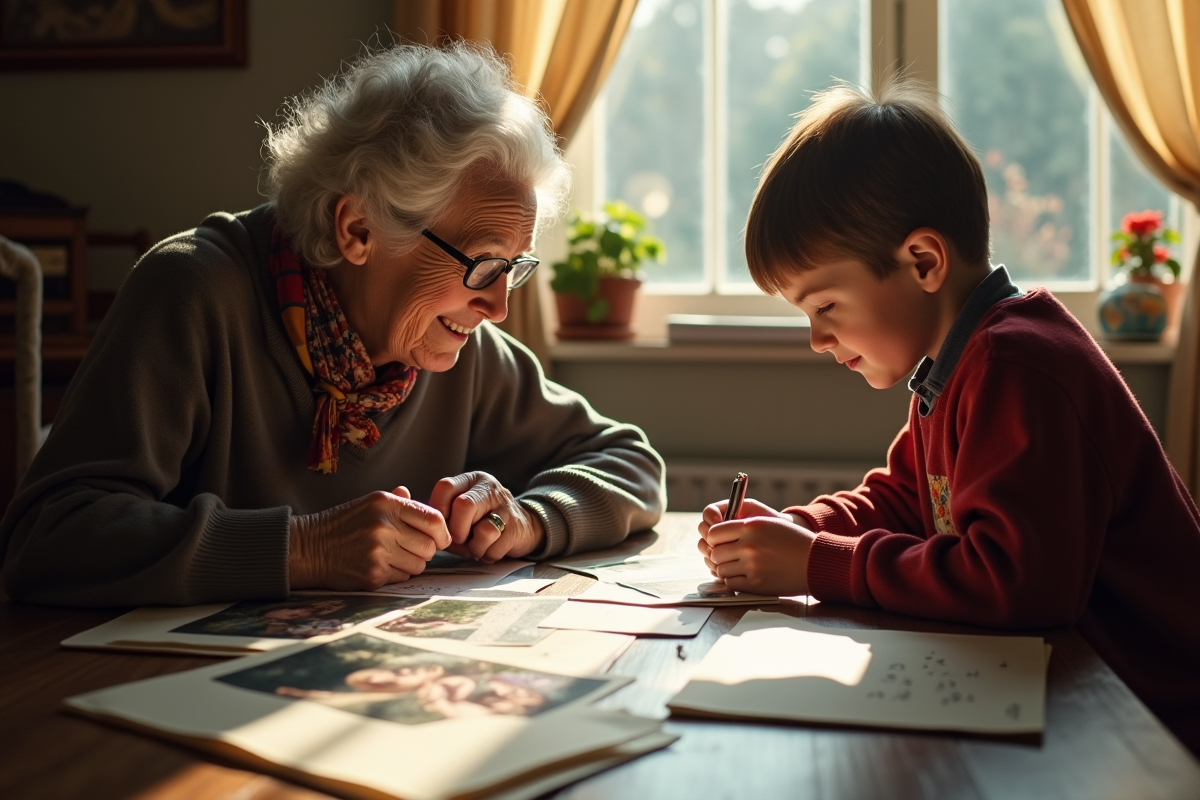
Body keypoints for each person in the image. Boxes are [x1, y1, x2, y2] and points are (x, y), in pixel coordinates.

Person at [0, 41, 664, 608]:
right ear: (357, 229)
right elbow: (48, 538)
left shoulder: (461, 348)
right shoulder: (193, 292)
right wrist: (300, 548)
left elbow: (632, 462)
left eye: (513, 268)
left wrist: (532, 516)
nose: (498, 309)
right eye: (484, 267)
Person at [697, 78, 1200, 754]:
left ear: (923, 262)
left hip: (1152, 719)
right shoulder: (954, 364)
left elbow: (1015, 586)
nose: (816, 339)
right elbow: (905, 499)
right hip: (1082, 692)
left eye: (825, 308)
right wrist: (794, 529)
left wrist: (816, 563)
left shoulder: (1018, 366)